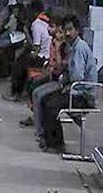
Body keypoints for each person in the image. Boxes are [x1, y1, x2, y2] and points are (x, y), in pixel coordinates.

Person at [39, 15, 98, 153]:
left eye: (70, 30)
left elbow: (78, 77)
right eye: (65, 30)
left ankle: (57, 144)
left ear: (77, 30)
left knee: (51, 104)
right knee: (45, 99)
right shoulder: (73, 47)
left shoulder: (79, 48)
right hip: (76, 91)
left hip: (83, 96)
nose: (67, 33)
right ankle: (48, 139)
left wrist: (67, 87)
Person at [5, 1, 49, 101]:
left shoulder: (36, 24)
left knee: (19, 63)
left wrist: (26, 33)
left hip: (42, 57)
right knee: (21, 56)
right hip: (46, 54)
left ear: (34, 11)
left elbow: (36, 48)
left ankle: (16, 93)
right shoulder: (46, 21)